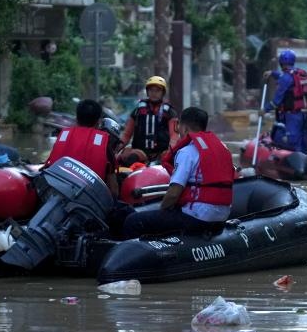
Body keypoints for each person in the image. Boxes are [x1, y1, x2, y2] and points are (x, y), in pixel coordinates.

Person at [122, 107, 235, 238]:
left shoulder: (187, 152)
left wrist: (161, 211)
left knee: (133, 221)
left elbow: (174, 194)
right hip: (222, 215)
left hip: (197, 217)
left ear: (185, 129)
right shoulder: (222, 147)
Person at [43, 99, 118, 196]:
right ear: (99, 121)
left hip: (54, 193)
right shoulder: (104, 143)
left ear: (76, 118)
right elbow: (113, 189)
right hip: (89, 202)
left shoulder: (63, 136)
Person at [118, 76, 179, 162]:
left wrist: (171, 151)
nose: (154, 93)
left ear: (163, 92)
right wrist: (117, 148)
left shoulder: (170, 112)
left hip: (162, 153)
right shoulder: (138, 111)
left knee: (173, 160)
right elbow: (126, 134)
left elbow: (174, 136)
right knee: (128, 159)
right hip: (141, 152)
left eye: (157, 90)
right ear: (147, 92)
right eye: (151, 90)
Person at [264, 50, 307, 152]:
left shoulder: (286, 78)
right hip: (304, 114)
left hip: (292, 116)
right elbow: (283, 77)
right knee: (303, 140)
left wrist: (264, 110)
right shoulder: (298, 73)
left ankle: (297, 164)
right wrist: (272, 73)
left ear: (281, 63)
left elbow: (276, 102)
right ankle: (306, 159)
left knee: (293, 142)